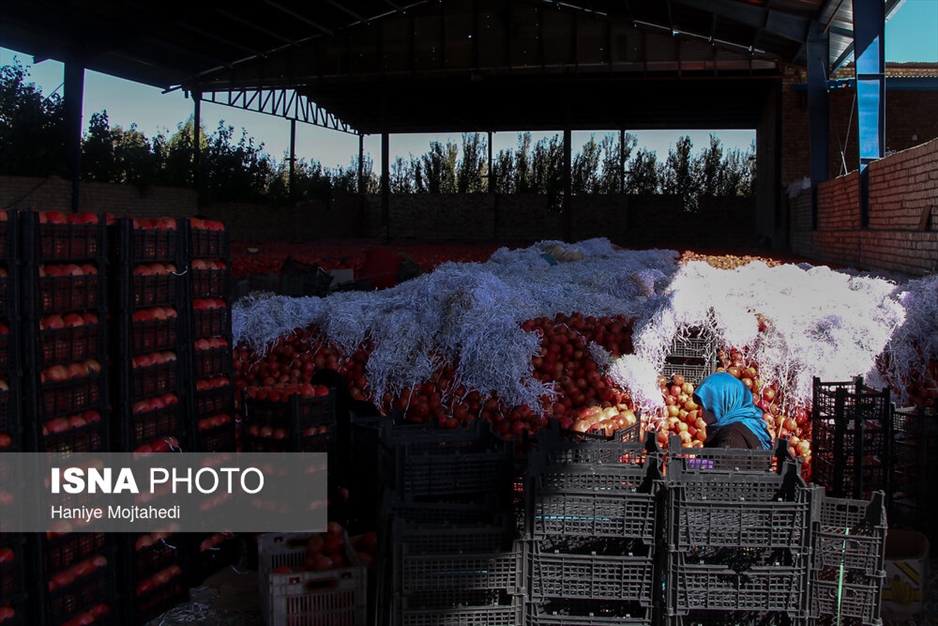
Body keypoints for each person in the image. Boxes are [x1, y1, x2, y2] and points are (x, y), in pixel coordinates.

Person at [693, 371, 772, 450]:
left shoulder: (732, 436)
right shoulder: (751, 425)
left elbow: (724, 457)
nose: (702, 414)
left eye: (706, 406)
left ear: (722, 404)